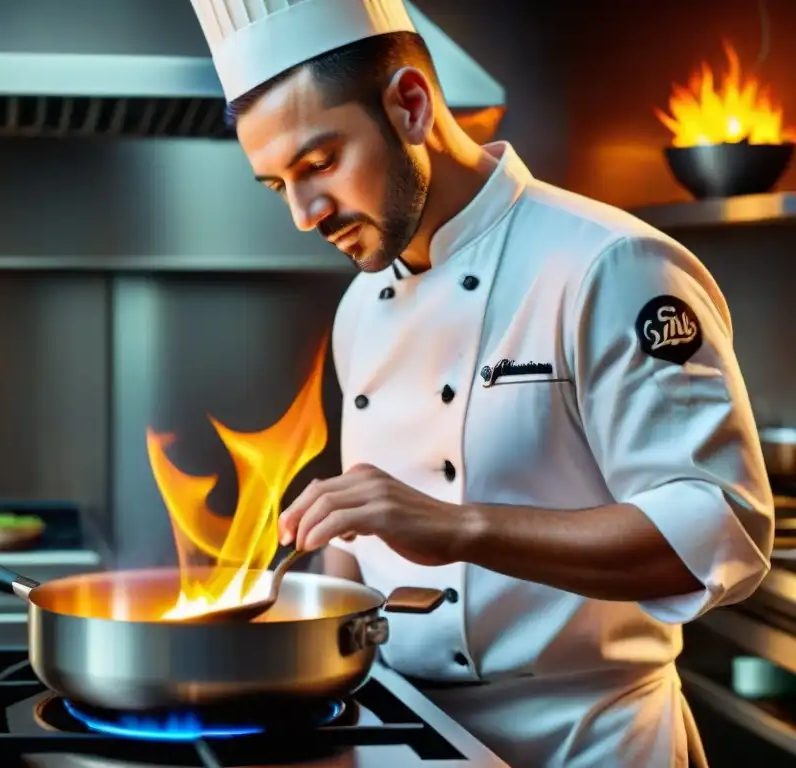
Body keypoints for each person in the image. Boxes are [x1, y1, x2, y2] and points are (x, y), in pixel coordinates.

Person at [187, 1, 775, 765]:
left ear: (410, 104)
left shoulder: (608, 265)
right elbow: (367, 546)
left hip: (586, 741)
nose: (306, 214)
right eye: (278, 186)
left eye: (319, 163)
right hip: (405, 734)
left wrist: (460, 527)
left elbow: (719, 527)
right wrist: (298, 630)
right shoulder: (360, 308)